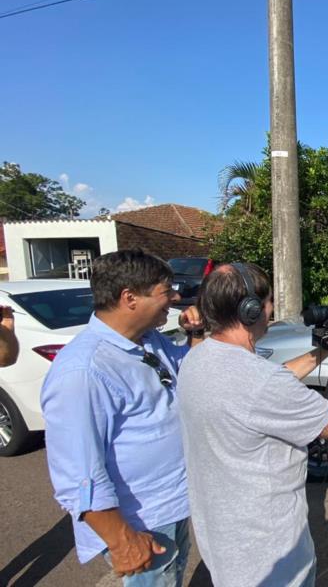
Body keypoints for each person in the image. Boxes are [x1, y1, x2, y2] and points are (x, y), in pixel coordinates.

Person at [177, 263, 328, 587]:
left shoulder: (197, 358)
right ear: (250, 311)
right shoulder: (260, 383)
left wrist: (324, 349)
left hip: (226, 548)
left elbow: (265, 387)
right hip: (271, 560)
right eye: (267, 303)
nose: (271, 309)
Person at [41, 250, 205, 586]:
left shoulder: (146, 341)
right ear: (129, 297)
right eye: (166, 291)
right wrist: (121, 540)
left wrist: (196, 335)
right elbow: (77, 473)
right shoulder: (84, 370)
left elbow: (187, 374)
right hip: (139, 524)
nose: (175, 298)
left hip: (169, 506)